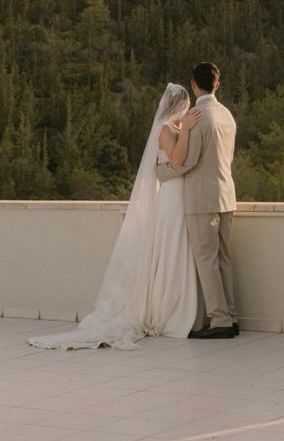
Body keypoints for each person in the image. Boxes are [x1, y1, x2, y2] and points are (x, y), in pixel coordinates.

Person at [29, 84, 201, 350]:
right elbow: (177, 162)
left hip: (181, 194)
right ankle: (169, 311)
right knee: (171, 248)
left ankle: (179, 306)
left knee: (177, 249)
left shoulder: (176, 129)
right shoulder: (166, 130)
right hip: (170, 197)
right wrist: (187, 130)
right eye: (186, 106)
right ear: (180, 106)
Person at [156, 61, 238, 339]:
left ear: (194, 84)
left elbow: (185, 162)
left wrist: (160, 171)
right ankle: (232, 316)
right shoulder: (226, 114)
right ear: (218, 83)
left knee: (206, 259)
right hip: (227, 194)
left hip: (202, 199)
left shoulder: (198, 116)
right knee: (224, 259)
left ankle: (220, 320)